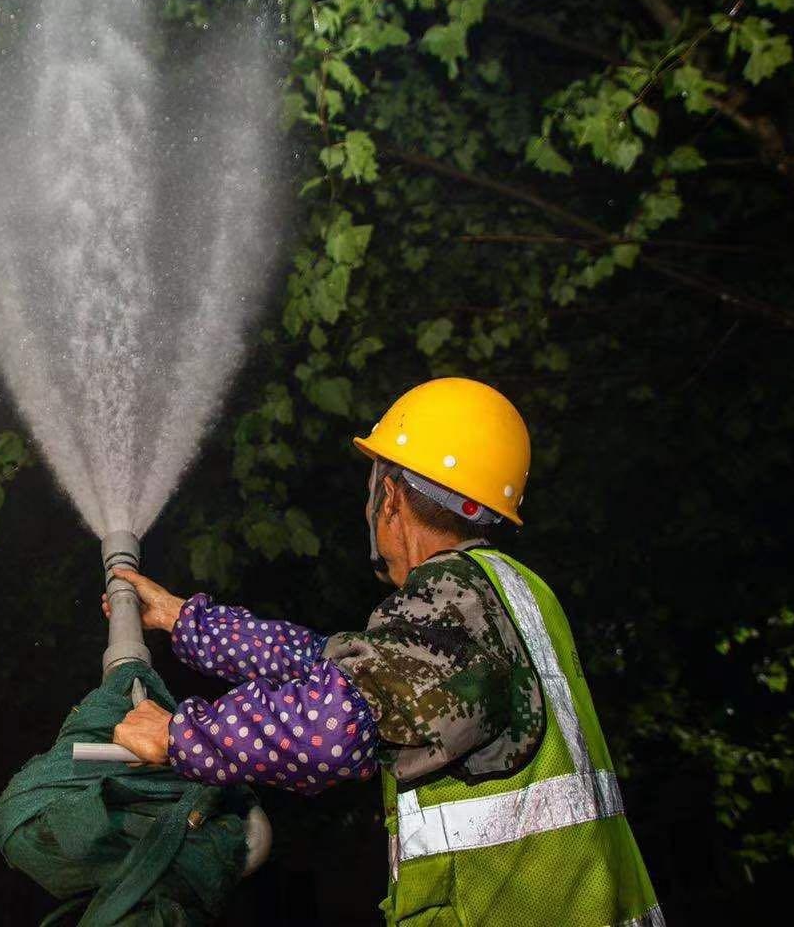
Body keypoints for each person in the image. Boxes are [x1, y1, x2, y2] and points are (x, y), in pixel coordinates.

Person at [108, 377, 663, 925]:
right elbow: (334, 667)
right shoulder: (511, 592)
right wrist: (189, 621)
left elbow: (332, 725)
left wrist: (180, 735)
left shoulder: (455, 602)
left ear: (390, 498)